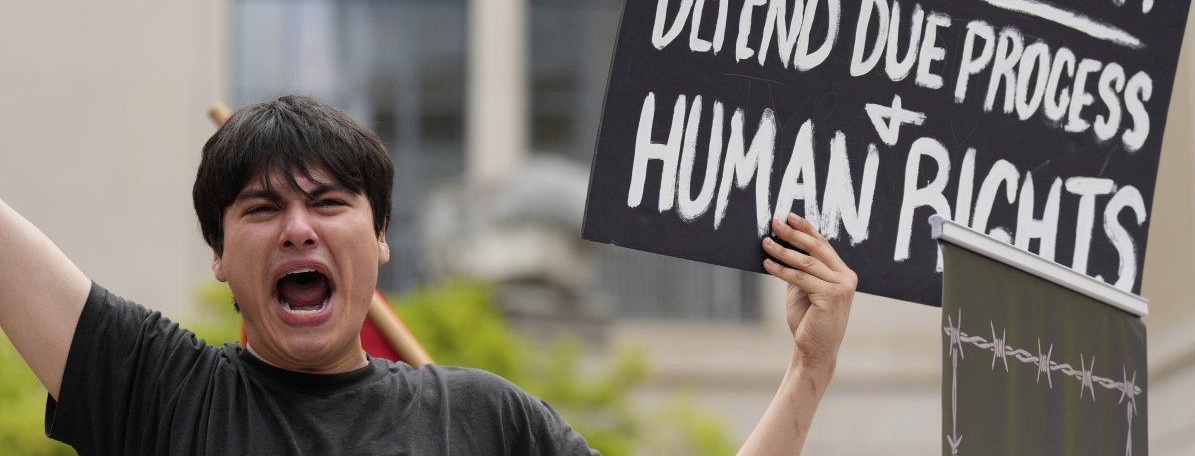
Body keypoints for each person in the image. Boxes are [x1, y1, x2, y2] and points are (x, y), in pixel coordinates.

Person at [0, 95, 856, 455]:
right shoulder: (163, 392)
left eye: (328, 202)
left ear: (380, 241)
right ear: (219, 255)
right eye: (261, 209)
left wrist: (808, 371)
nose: (298, 226)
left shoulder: (483, 418)